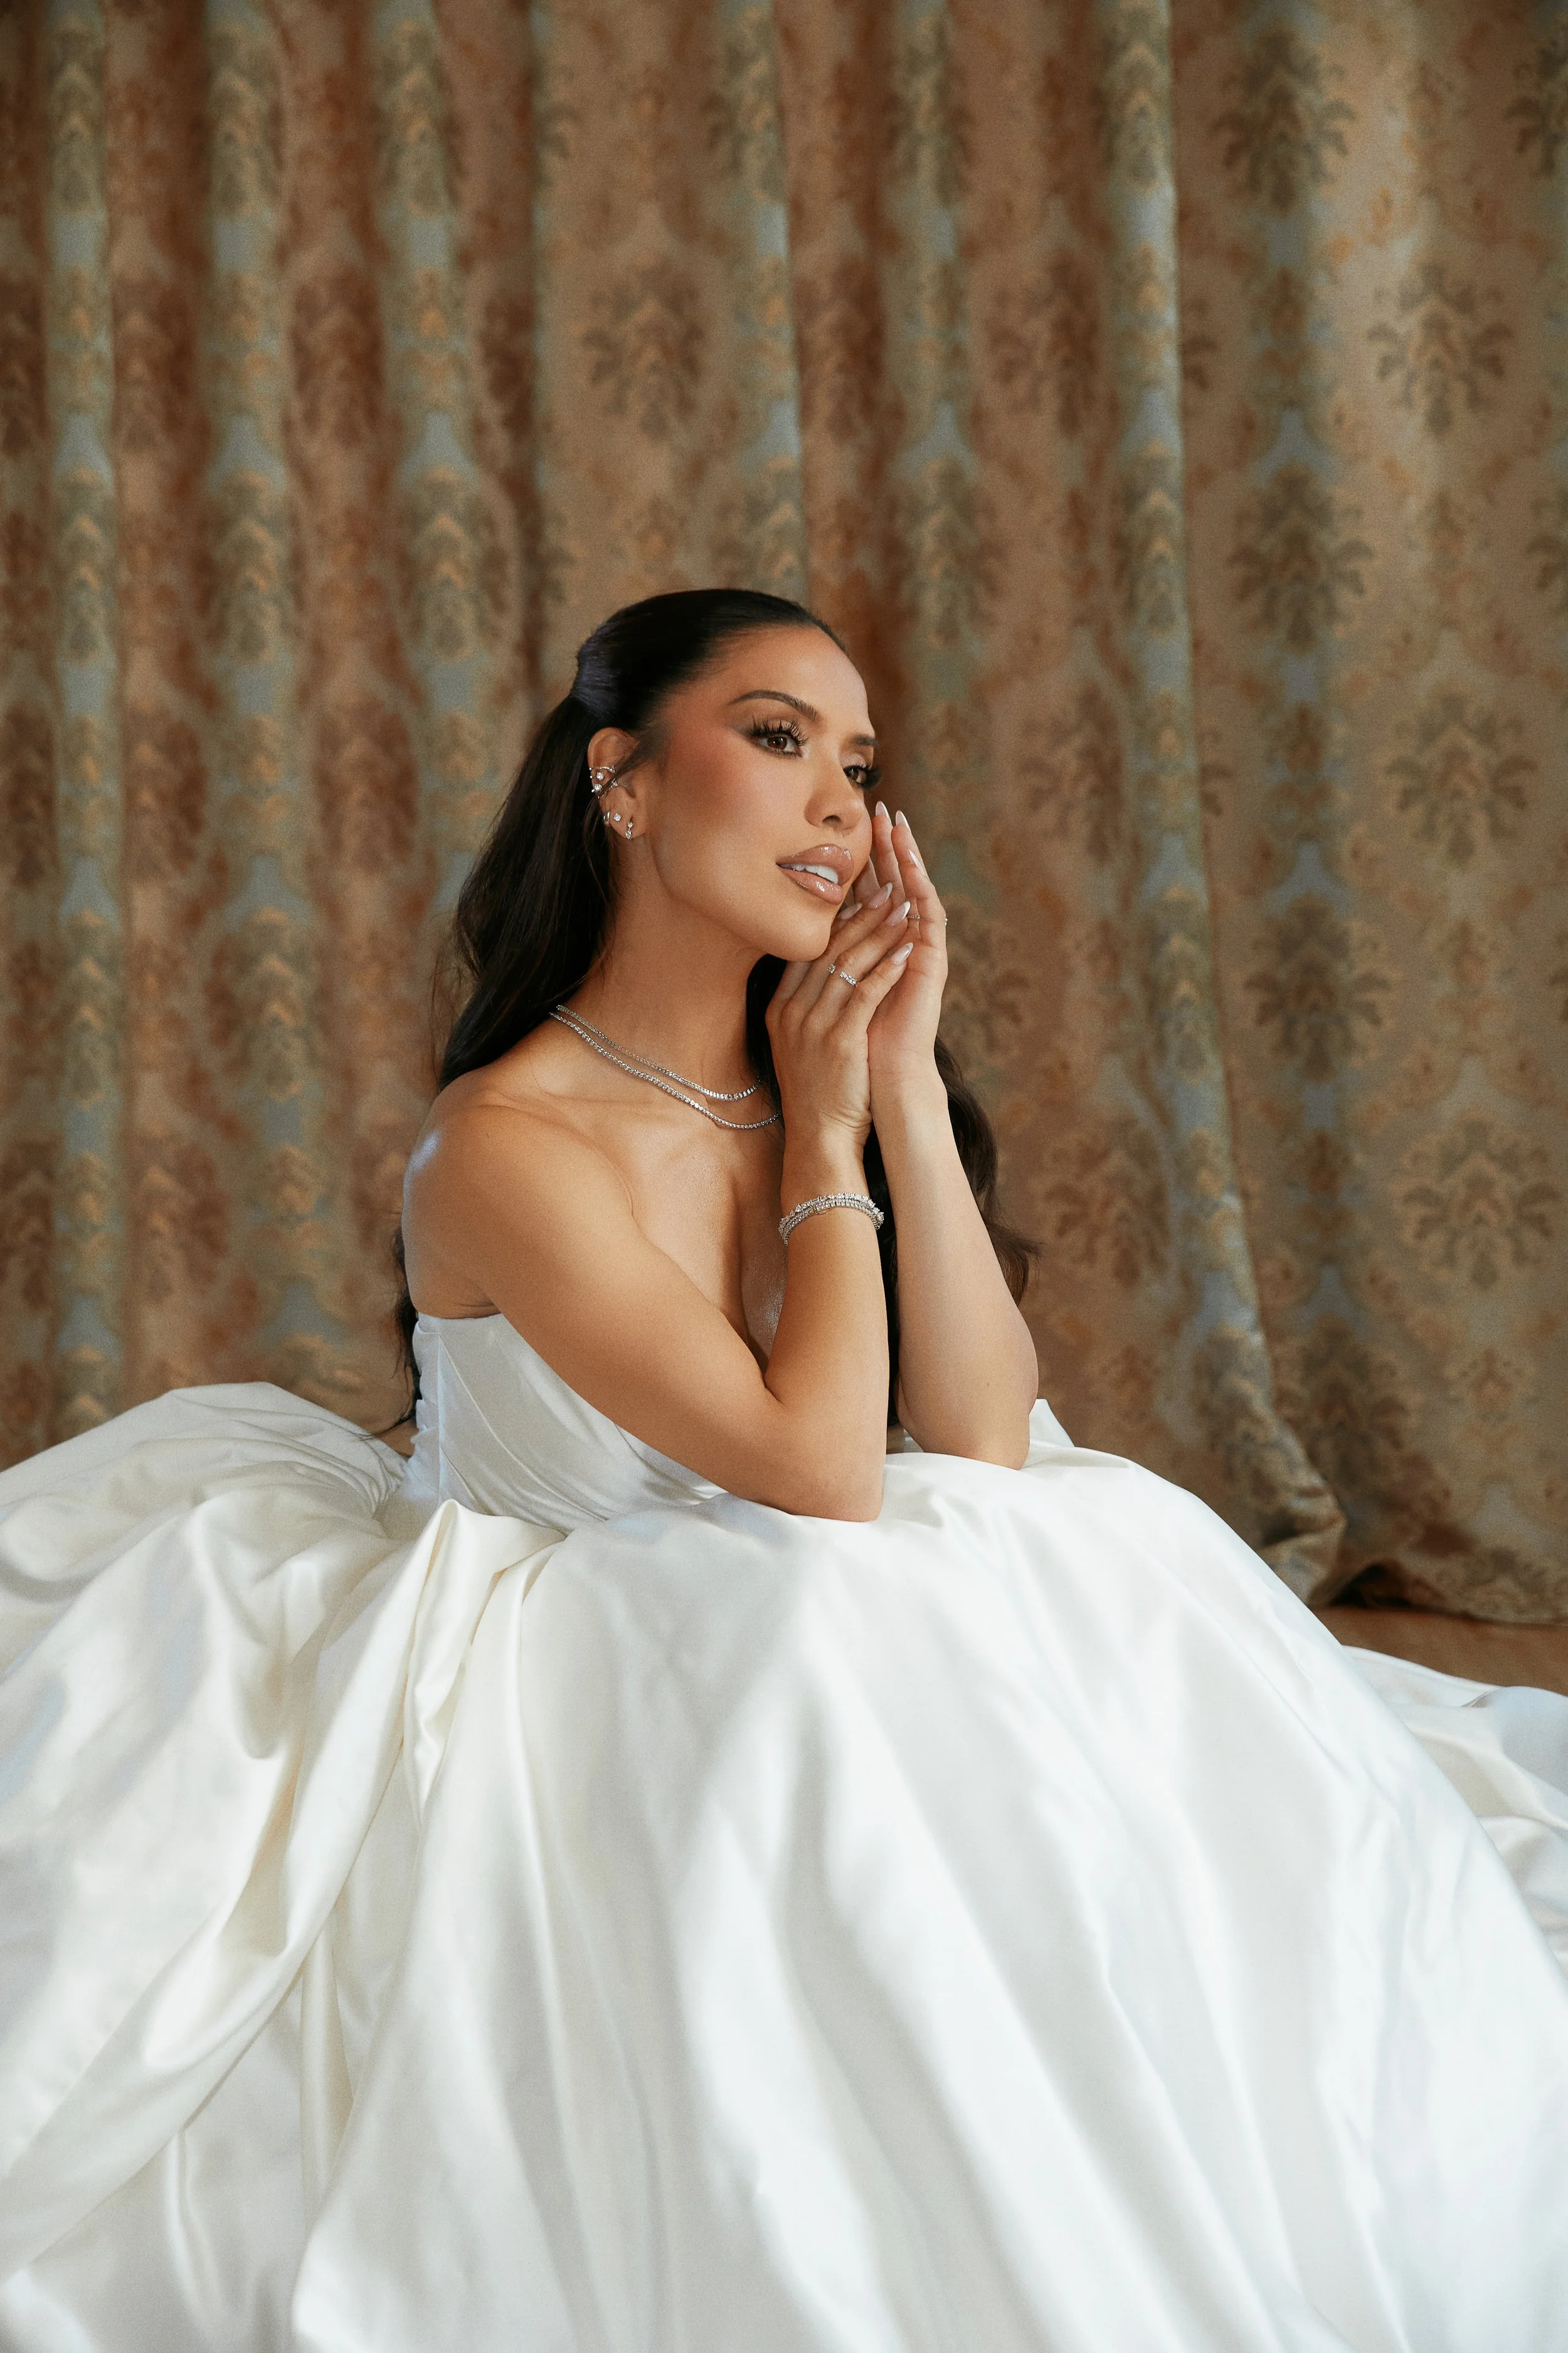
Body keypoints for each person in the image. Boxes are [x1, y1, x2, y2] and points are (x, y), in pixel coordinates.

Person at [2, 588, 1567, 2353]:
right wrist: (823, 1127)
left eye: (860, 766)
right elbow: (820, 1471)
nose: (839, 803)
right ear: (622, 783)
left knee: (1083, 1533)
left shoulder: (809, 1071)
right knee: (823, 1622)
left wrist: (893, 1086)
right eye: (775, 738)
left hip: (813, 1587)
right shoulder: (504, 1144)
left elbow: (980, 1437)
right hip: (592, 1644)